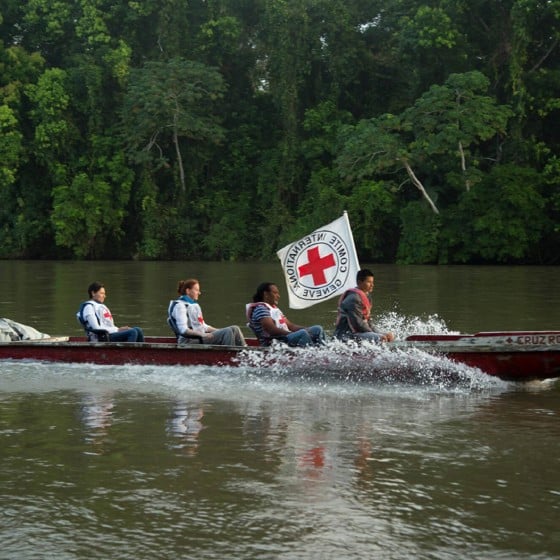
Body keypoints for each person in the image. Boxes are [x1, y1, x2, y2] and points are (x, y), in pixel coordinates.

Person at [168, 279, 246, 346]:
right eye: (196, 290)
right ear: (188, 291)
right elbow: (183, 330)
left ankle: (245, 353)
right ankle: (230, 358)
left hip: (199, 338)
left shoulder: (193, 305)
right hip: (188, 341)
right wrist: (203, 334)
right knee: (228, 332)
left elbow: (203, 326)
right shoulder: (180, 306)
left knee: (234, 329)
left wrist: (219, 331)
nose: (199, 293)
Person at [246, 282, 325, 347]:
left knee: (317, 329)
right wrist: (293, 334)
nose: (278, 296)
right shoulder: (261, 309)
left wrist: (307, 329)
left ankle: (323, 352)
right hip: (274, 343)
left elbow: (291, 326)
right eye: (275, 293)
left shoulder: (273, 308)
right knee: (302, 334)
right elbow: (271, 330)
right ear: (266, 294)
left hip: (284, 338)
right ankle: (312, 357)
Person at [333, 269, 394, 343]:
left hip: (358, 332)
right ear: (359, 282)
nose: (372, 285)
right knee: (380, 338)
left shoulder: (366, 296)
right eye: (369, 282)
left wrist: (382, 333)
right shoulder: (353, 299)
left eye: (372, 282)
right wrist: (377, 335)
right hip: (346, 335)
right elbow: (357, 324)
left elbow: (368, 322)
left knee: (388, 336)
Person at [77, 282, 144, 342]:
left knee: (138, 330)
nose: (104, 296)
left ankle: (141, 355)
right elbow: (96, 328)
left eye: (104, 294)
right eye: (102, 293)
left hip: (109, 334)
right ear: (93, 293)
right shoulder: (89, 307)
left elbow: (108, 325)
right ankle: (128, 355)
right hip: (101, 337)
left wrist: (118, 329)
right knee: (132, 332)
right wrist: (117, 330)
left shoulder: (100, 306)